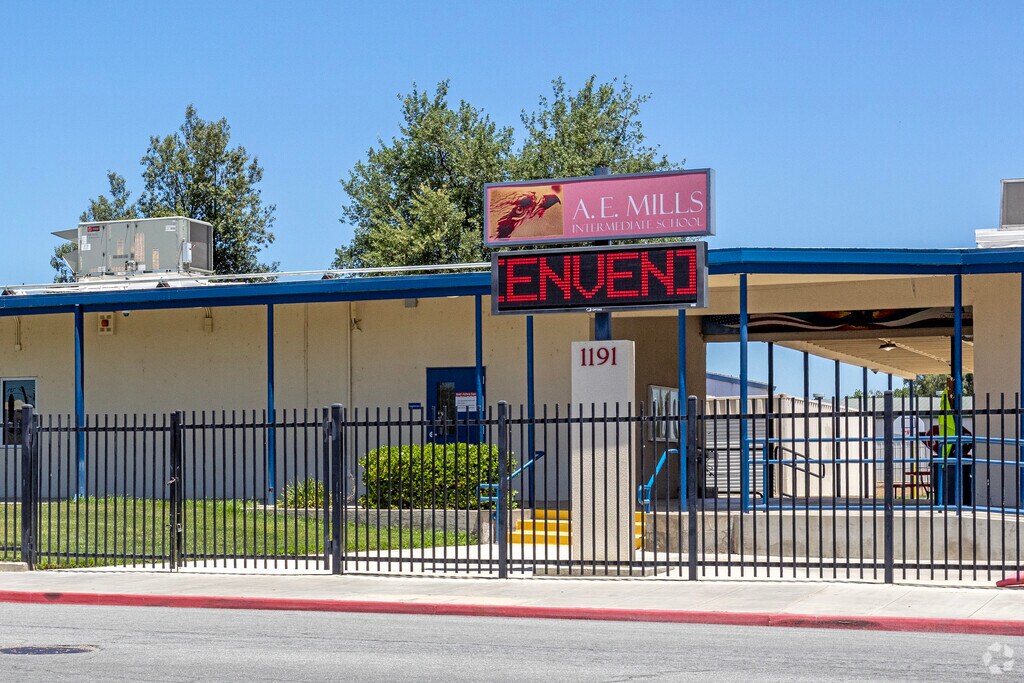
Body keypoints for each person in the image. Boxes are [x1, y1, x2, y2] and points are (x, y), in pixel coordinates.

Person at [929, 377, 973, 506]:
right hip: (949, 449)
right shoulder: (947, 411)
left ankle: (952, 503)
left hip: (950, 450)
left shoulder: (947, 409)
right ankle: (950, 503)